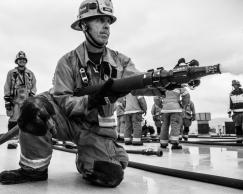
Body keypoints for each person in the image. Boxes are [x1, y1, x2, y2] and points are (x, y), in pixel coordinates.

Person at [0, 0, 167, 187]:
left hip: (97, 131)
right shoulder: (67, 62)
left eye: (108, 21)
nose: (106, 26)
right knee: (33, 109)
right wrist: (90, 100)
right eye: (98, 20)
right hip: (68, 122)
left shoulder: (121, 62)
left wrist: (164, 83)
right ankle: (33, 171)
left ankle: (87, 157)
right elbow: (63, 99)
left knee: (110, 175)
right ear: (83, 26)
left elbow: (139, 82)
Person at [3, 51, 36, 149]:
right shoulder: (11, 73)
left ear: (26, 61)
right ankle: (12, 142)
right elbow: (7, 86)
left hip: (26, 101)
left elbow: (34, 86)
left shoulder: (30, 74)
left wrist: (32, 96)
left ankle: (25, 140)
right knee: (13, 120)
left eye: (23, 59)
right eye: (20, 59)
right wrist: (8, 102)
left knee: (27, 120)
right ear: (17, 61)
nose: (22, 61)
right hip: (15, 102)